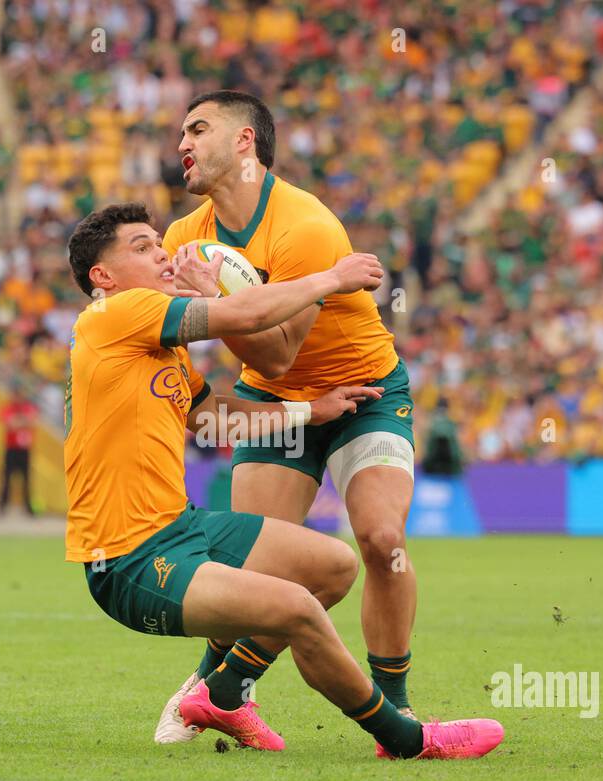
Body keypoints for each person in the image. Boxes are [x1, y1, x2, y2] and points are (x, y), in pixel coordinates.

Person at [64, 201, 504, 760]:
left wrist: (310, 413)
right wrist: (331, 279)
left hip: (179, 526)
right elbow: (245, 319)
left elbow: (211, 417)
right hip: (127, 558)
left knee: (334, 566)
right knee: (297, 607)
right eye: (143, 248)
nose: (161, 254)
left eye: (158, 243)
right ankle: (407, 738)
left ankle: (222, 694)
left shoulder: (156, 345)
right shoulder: (115, 314)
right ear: (102, 277)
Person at [157, 90, 423, 743]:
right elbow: (269, 378)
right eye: (181, 132)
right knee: (254, 573)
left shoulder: (306, 226)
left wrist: (213, 299)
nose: (182, 143)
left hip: (362, 394)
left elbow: (278, 356)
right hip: (277, 410)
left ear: (244, 142)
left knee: (383, 542)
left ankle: (392, 699)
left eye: (199, 128)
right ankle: (215, 690)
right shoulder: (183, 237)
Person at [0, 385, 38, 516]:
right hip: (11, 449)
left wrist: (20, 422)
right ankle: (2, 506)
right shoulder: (8, 409)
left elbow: (32, 422)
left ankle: (28, 507)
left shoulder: (28, 408)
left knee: (26, 480)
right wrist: (23, 421)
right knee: (6, 479)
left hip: (24, 450)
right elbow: (10, 425)